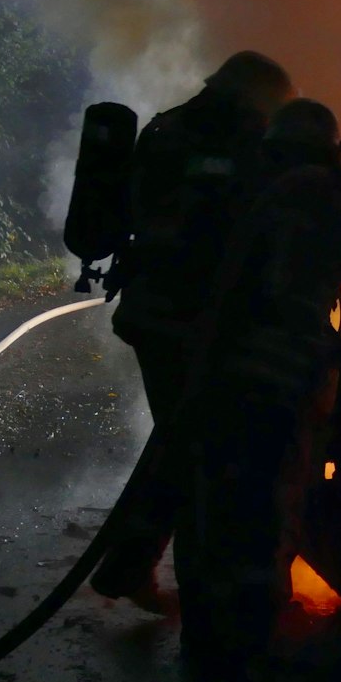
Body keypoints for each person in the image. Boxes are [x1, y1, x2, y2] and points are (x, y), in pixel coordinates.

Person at [176, 98, 341, 667]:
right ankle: (254, 641)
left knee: (214, 490)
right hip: (282, 374)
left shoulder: (240, 185)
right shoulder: (325, 194)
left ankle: (204, 630)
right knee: (272, 496)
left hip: (213, 368)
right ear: (329, 149)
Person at [92, 51, 297, 608]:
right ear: (257, 96)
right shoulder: (243, 142)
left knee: (182, 441)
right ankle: (201, 596)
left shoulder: (165, 128)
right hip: (202, 322)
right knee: (207, 452)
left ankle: (131, 567)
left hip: (154, 313)